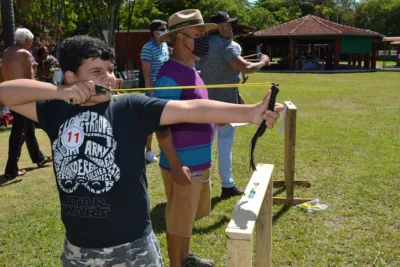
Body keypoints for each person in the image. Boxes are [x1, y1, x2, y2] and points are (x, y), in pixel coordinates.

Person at [0, 35, 283, 266]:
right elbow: (5, 92)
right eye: (97, 72)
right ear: (72, 76)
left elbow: (189, 108)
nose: (109, 78)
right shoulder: (55, 110)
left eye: (110, 70)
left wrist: (251, 112)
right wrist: (59, 91)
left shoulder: (130, 107)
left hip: (132, 248)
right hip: (78, 250)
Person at [153, 9, 219, 267]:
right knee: (178, 220)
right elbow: (160, 124)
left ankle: (186, 257)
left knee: (189, 216)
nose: (203, 38)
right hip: (182, 163)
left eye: (204, 33)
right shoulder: (169, 75)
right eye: (198, 33)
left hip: (199, 161)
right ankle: (176, 264)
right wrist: (177, 163)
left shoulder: (192, 69)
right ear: (180, 38)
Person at [199, 11, 270, 199]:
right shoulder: (227, 46)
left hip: (204, 101)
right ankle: (227, 185)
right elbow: (246, 68)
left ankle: (202, 185)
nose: (231, 27)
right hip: (224, 105)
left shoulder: (203, 44)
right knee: (224, 145)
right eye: (227, 24)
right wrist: (262, 62)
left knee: (205, 145)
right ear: (217, 27)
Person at [1, 28, 52, 180]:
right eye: (30, 42)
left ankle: (39, 158)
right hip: (22, 97)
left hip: (8, 93)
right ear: (26, 41)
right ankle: (11, 170)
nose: (30, 45)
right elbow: (30, 80)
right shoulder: (25, 54)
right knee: (19, 131)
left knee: (27, 127)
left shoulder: (7, 52)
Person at [141, 19, 170, 163]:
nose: (166, 30)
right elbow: (146, 72)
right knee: (151, 122)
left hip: (167, 89)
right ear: (155, 32)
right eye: (163, 28)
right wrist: (151, 90)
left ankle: (165, 148)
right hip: (154, 90)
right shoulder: (148, 47)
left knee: (167, 120)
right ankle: (148, 151)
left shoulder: (165, 45)